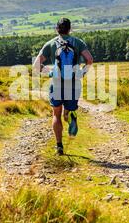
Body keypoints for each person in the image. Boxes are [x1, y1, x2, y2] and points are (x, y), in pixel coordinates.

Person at [33, 18, 94, 155]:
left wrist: (49, 73)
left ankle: (59, 146)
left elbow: (36, 65)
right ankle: (70, 114)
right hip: (73, 83)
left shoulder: (50, 44)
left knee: (56, 114)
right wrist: (82, 73)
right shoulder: (78, 42)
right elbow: (89, 60)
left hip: (57, 83)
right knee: (70, 109)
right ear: (70, 29)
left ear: (57, 29)